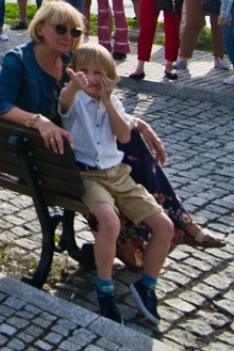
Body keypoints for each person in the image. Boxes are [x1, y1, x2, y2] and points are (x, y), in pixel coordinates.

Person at [0, 0, 223, 267]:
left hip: (71, 148)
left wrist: (136, 121)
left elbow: (94, 103)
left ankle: (155, 230)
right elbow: (1, 105)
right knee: (125, 151)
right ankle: (173, 225)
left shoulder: (71, 60)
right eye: (62, 29)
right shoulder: (18, 60)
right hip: (43, 155)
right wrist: (39, 121)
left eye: (76, 32)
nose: (70, 37)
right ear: (40, 28)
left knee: (129, 140)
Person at [60, 42, 174, 324]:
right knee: (110, 222)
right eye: (84, 71)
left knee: (164, 226)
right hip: (88, 175)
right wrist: (74, 86)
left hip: (118, 173)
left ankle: (147, 285)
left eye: (98, 72)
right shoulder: (75, 100)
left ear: (110, 77)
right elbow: (64, 103)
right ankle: (105, 287)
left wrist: (108, 101)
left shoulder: (113, 101)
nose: (91, 78)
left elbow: (124, 136)